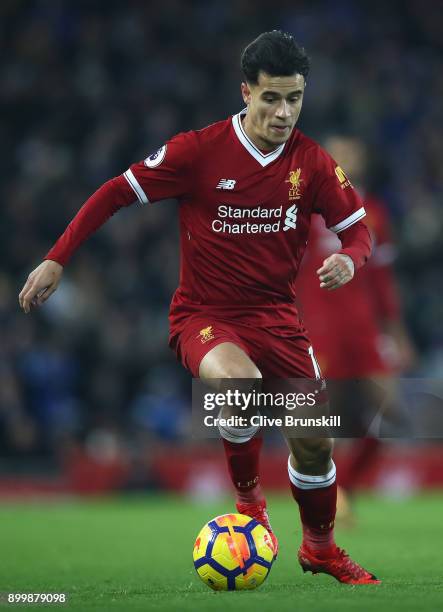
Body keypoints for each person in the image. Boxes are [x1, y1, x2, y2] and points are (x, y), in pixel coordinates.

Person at [19, 31, 379, 584]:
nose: (284, 112)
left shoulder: (312, 163)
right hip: (205, 316)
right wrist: (57, 258)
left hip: (278, 319)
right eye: (272, 98)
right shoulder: (198, 150)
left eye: (295, 98)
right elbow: (116, 191)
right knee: (239, 385)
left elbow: (358, 232)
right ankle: (249, 504)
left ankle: (321, 550)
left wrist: (352, 260)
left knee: (314, 443)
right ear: (245, 93)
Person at [296, 135, 415, 523]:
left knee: (391, 412)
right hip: (319, 330)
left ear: (361, 160)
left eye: (351, 152)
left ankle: (342, 486)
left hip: (364, 331)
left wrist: (396, 333)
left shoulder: (374, 212)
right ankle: (320, 504)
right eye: (337, 153)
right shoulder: (305, 209)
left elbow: (382, 279)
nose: (344, 159)